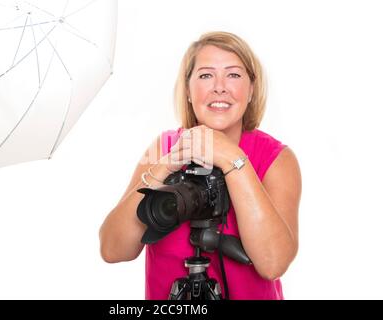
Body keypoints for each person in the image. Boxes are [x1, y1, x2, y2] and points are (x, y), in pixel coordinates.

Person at [99, 31, 302, 300]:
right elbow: (113, 249)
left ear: (251, 89)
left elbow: (273, 263)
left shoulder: (275, 158)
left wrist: (232, 159)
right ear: (189, 90)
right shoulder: (165, 148)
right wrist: (164, 167)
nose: (219, 87)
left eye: (233, 75)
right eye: (206, 75)